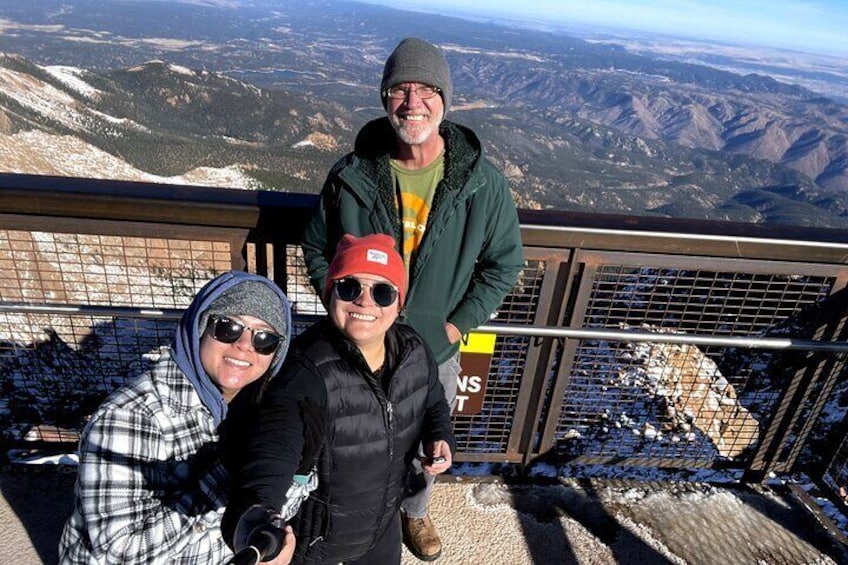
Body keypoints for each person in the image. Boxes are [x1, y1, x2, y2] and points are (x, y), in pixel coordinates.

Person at [300, 36, 524, 560]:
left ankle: (413, 513)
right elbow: (315, 247)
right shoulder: (352, 175)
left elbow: (505, 263)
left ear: (445, 101)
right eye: (401, 90)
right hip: (353, 349)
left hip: (432, 349)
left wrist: (456, 324)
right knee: (346, 444)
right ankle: (352, 517)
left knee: (427, 447)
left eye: (426, 90)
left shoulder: (480, 185)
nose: (413, 103)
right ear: (384, 98)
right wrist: (343, 303)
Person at [223, 233, 456, 565]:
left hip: (383, 530)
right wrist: (256, 517)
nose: (365, 301)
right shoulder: (305, 369)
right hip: (319, 545)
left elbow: (433, 400)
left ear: (399, 303)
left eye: (382, 292)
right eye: (349, 287)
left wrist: (440, 436)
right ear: (329, 292)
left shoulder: (414, 350)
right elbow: (275, 445)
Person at [58, 270, 299, 565]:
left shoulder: (257, 411)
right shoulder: (129, 415)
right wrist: (236, 473)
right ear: (200, 328)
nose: (245, 345)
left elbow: (274, 505)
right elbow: (121, 547)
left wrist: (265, 528)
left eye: (265, 338)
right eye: (228, 328)